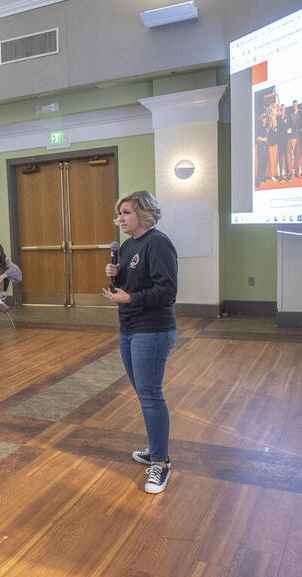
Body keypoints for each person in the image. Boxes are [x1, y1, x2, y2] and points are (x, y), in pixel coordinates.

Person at [102, 190, 178, 495]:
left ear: (143, 214)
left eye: (126, 213)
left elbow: (167, 291)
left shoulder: (158, 243)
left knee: (150, 395)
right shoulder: (127, 246)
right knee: (143, 392)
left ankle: (160, 461)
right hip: (129, 327)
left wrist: (130, 296)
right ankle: (155, 446)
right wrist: (115, 277)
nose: (120, 219)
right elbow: (127, 286)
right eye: (119, 213)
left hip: (153, 329)